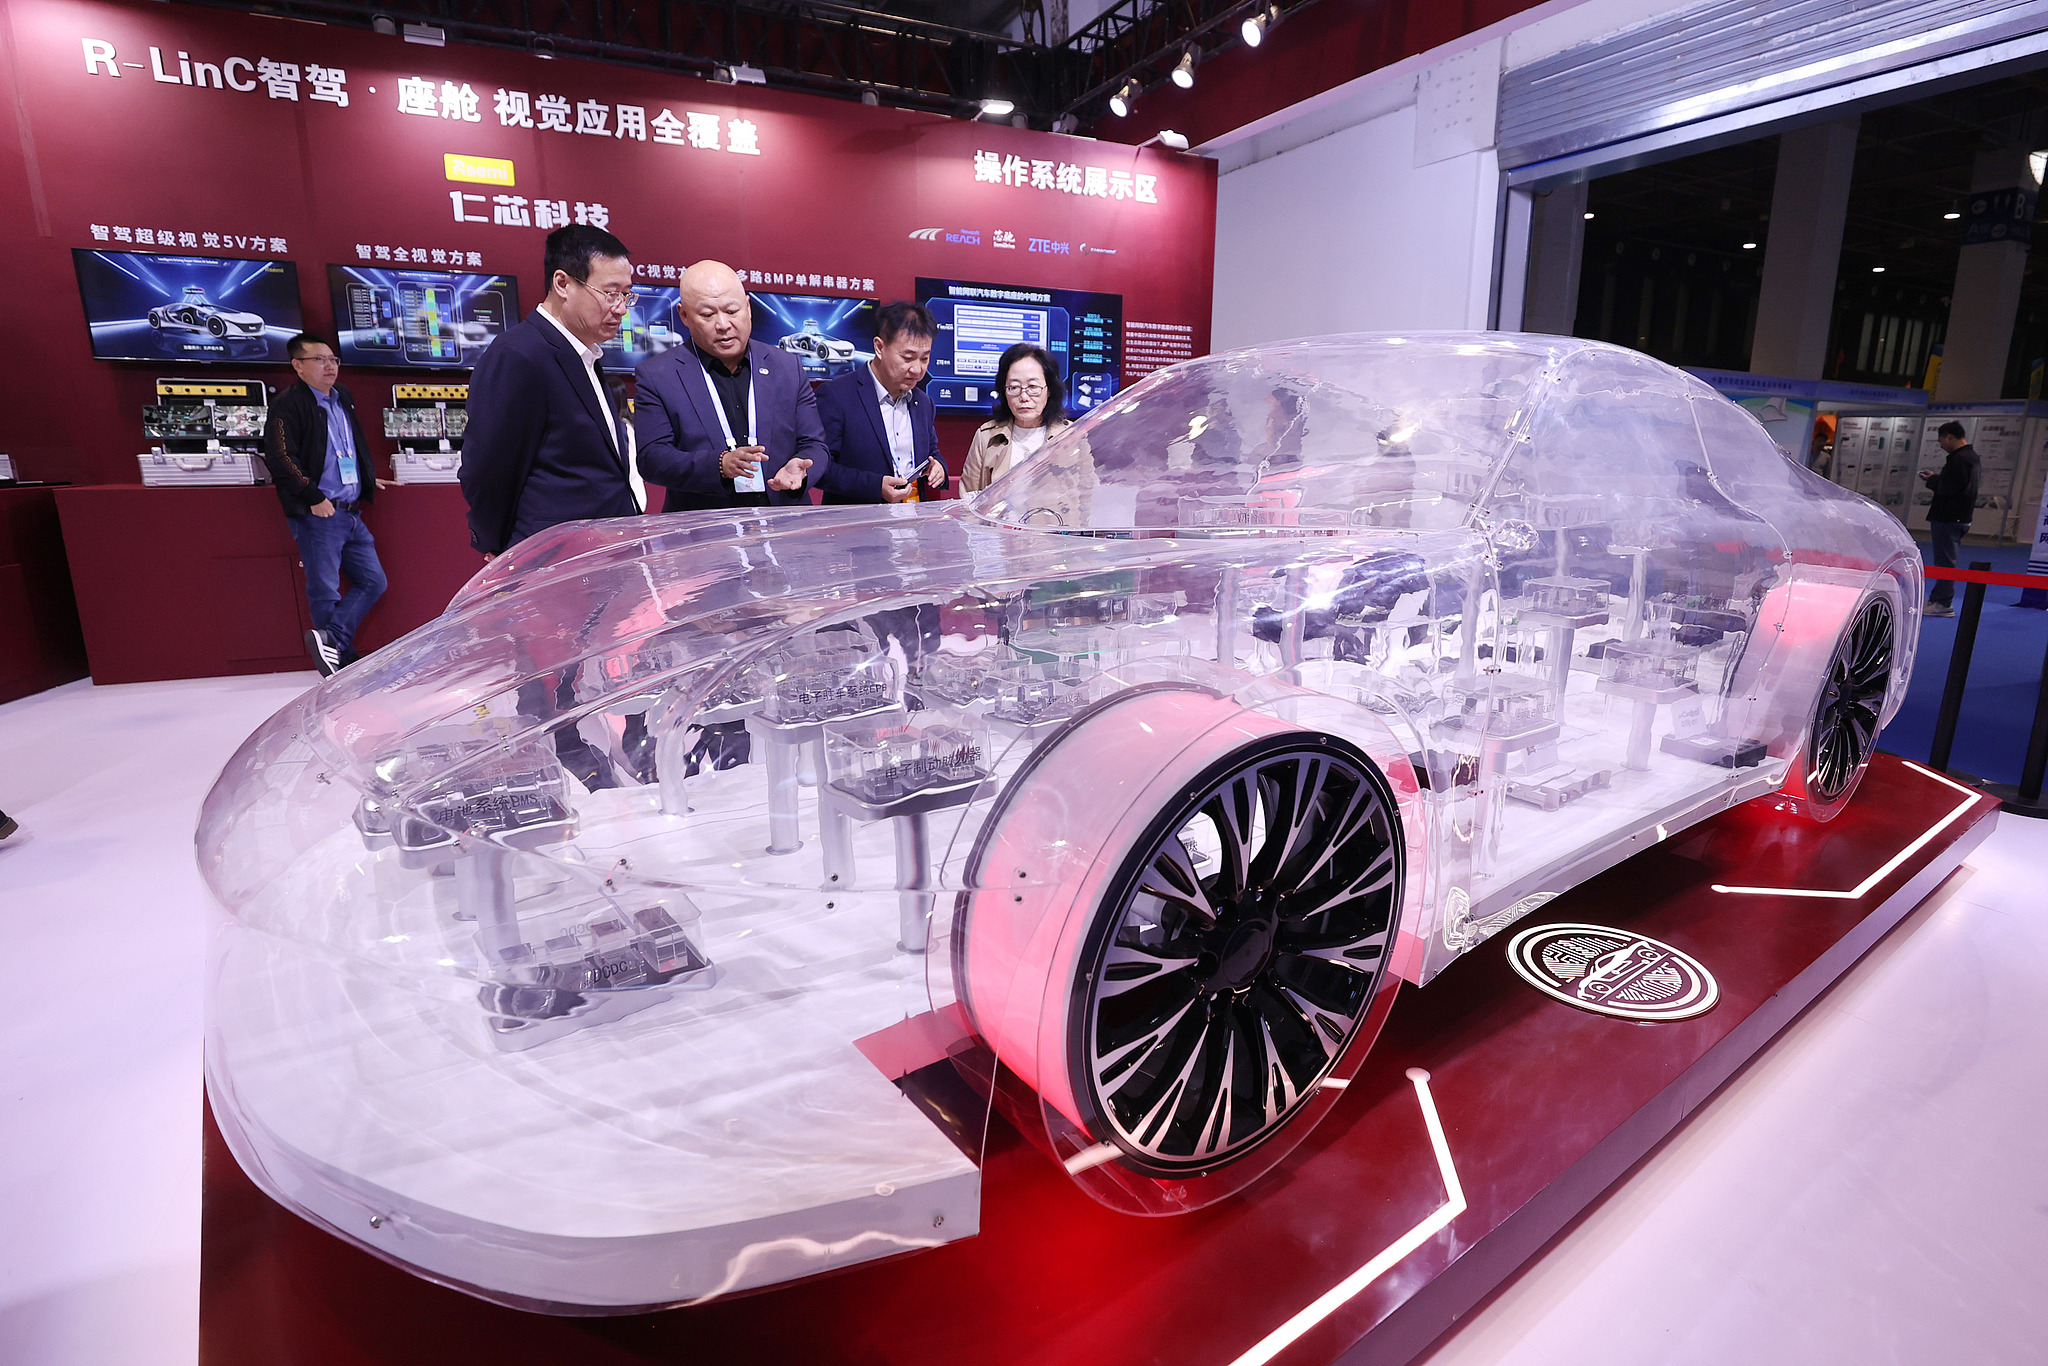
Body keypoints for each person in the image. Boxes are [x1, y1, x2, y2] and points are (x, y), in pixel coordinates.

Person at [460, 223, 642, 560]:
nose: (621, 308)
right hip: (551, 558)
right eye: (610, 292)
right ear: (563, 283)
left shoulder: (585, 353)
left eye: (627, 294)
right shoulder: (519, 354)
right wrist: (497, 545)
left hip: (599, 554)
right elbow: (486, 469)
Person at [634, 260, 825, 512]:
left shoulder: (787, 367)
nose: (723, 324)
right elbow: (652, 459)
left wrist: (801, 467)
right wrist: (719, 465)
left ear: (747, 307)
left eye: (732, 311)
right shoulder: (658, 374)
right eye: (707, 314)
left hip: (784, 523)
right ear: (684, 315)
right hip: (702, 531)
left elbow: (815, 444)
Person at [263, 332, 389, 676]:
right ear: (298, 366)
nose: (329, 366)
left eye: (333, 359)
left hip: (351, 510)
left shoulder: (341, 397)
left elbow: (350, 444)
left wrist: (365, 477)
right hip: (320, 512)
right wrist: (313, 495)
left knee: (373, 580)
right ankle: (337, 661)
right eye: (319, 360)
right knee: (324, 589)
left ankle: (331, 643)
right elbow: (279, 455)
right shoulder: (289, 404)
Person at [815, 301, 948, 504]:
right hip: (856, 525)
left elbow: (932, 452)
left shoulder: (923, 402)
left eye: (924, 359)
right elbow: (820, 468)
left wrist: (939, 466)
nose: (917, 369)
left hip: (912, 522)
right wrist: (875, 486)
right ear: (879, 347)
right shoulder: (837, 395)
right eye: (908, 357)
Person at [960, 343, 1073, 494]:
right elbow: (968, 498)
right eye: (1014, 387)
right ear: (1004, 391)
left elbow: (1085, 499)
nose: (1024, 397)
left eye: (1033, 386)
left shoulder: (1072, 436)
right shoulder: (986, 437)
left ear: (1049, 390)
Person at [1919, 420, 1980, 618]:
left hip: (1949, 517)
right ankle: (1938, 598)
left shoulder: (1960, 459)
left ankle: (1943, 602)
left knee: (1945, 562)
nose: (1941, 445)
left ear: (1949, 437)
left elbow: (1950, 487)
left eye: (1942, 441)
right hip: (1959, 516)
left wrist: (1932, 480)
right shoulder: (1971, 457)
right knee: (1945, 560)